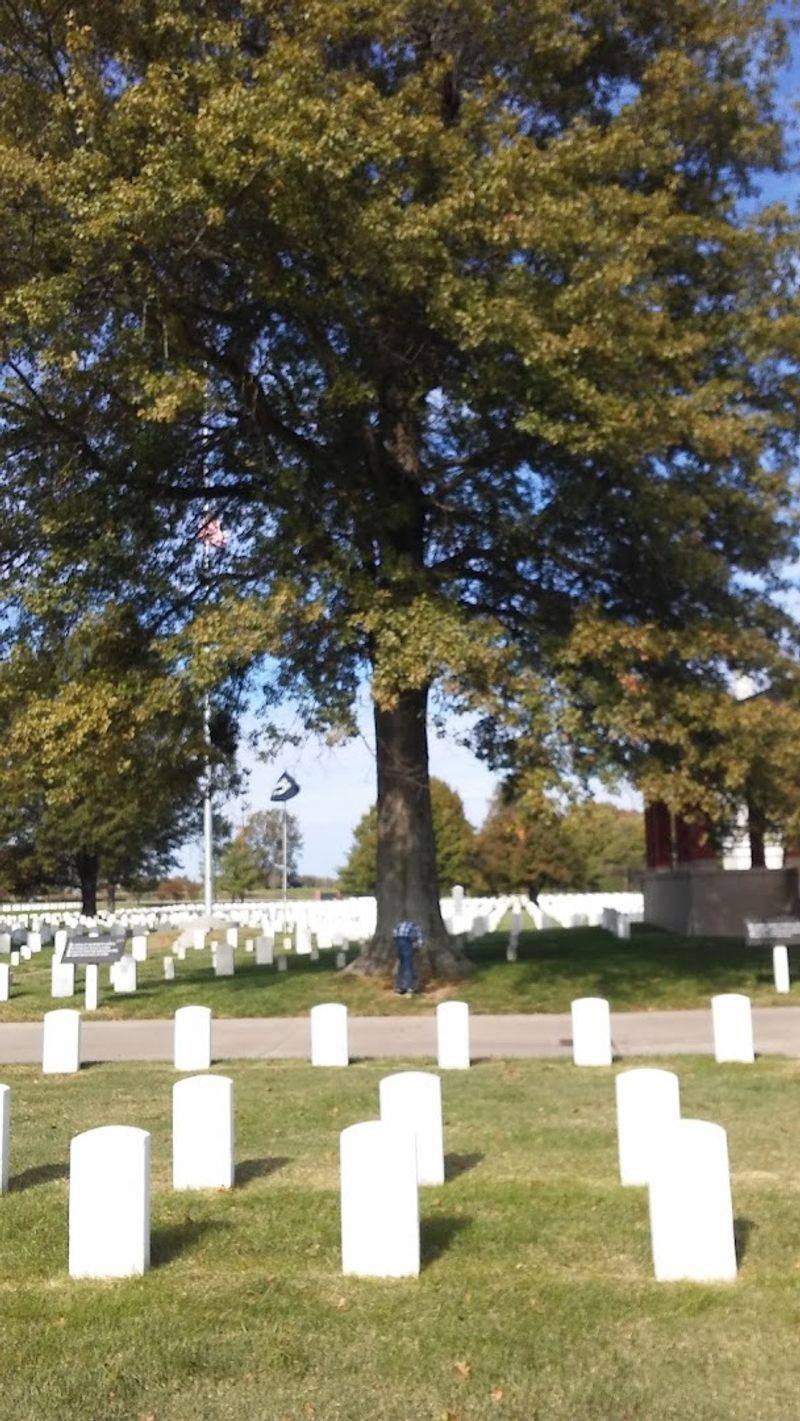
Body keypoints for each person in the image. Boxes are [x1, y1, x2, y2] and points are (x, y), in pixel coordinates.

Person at [393, 919, 422, 995]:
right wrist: (417, 947)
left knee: (401, 966)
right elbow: (419, 939)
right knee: (408, 965)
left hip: (398, 943)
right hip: (407, 942)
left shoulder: (399, 925)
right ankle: (410, 988)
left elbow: (394, 934)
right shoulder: (414, 926)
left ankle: (399, 987)